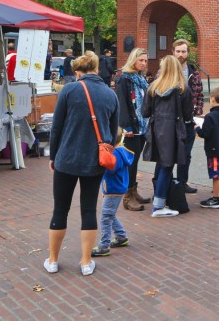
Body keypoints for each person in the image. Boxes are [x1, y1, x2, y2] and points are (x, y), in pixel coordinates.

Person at [45, 51, 119, 276]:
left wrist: (53, 156)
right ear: (97, 69)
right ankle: (86, 262)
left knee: (60, 209)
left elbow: (56, 127)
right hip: (95, 161)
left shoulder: (69, 90)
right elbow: (113, 133)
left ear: (78, 72)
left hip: (66, 158)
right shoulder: (110, 94)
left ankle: (53, 260)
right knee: (88, 209)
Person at [141, 55, 192, 218]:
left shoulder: (152, 87)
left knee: (162, 165)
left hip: (156, 129)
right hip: (174, 130)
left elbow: (145, 112)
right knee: (167, 166)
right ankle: (159, 205)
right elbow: (187, 113)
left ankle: (160, 200)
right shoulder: (183, 88)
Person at [115, 48, 152, 211]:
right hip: (132, 126)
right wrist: (126, 126)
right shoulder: (124, 79)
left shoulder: (140, 78)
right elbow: (122, 103)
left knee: (135, 160)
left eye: (145, 61)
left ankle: (133, 191)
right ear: (133, 60)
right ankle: (127, 197)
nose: (143, 63)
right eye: (140, 60)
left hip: (143, 125)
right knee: (130, 161)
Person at [91, 128, 134, 257]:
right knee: (110, 214)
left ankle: (104, 245)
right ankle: (121, 237)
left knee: (106, 217)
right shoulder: (118, 151)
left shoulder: (116, 154)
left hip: (114, 189)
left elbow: (111, 169)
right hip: (114, 189)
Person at [172, 39, 199, 193]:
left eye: (183, 51)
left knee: (186, 154)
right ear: (173, 52)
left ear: (188, 53)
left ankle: (182, 182)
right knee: (168, 153)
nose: (181, 54)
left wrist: (197, 113)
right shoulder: (165, 71)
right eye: (178, 51)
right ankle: (167, 183)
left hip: (189, 120)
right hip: (171, 120)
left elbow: (199, 94)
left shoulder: (193, 71)